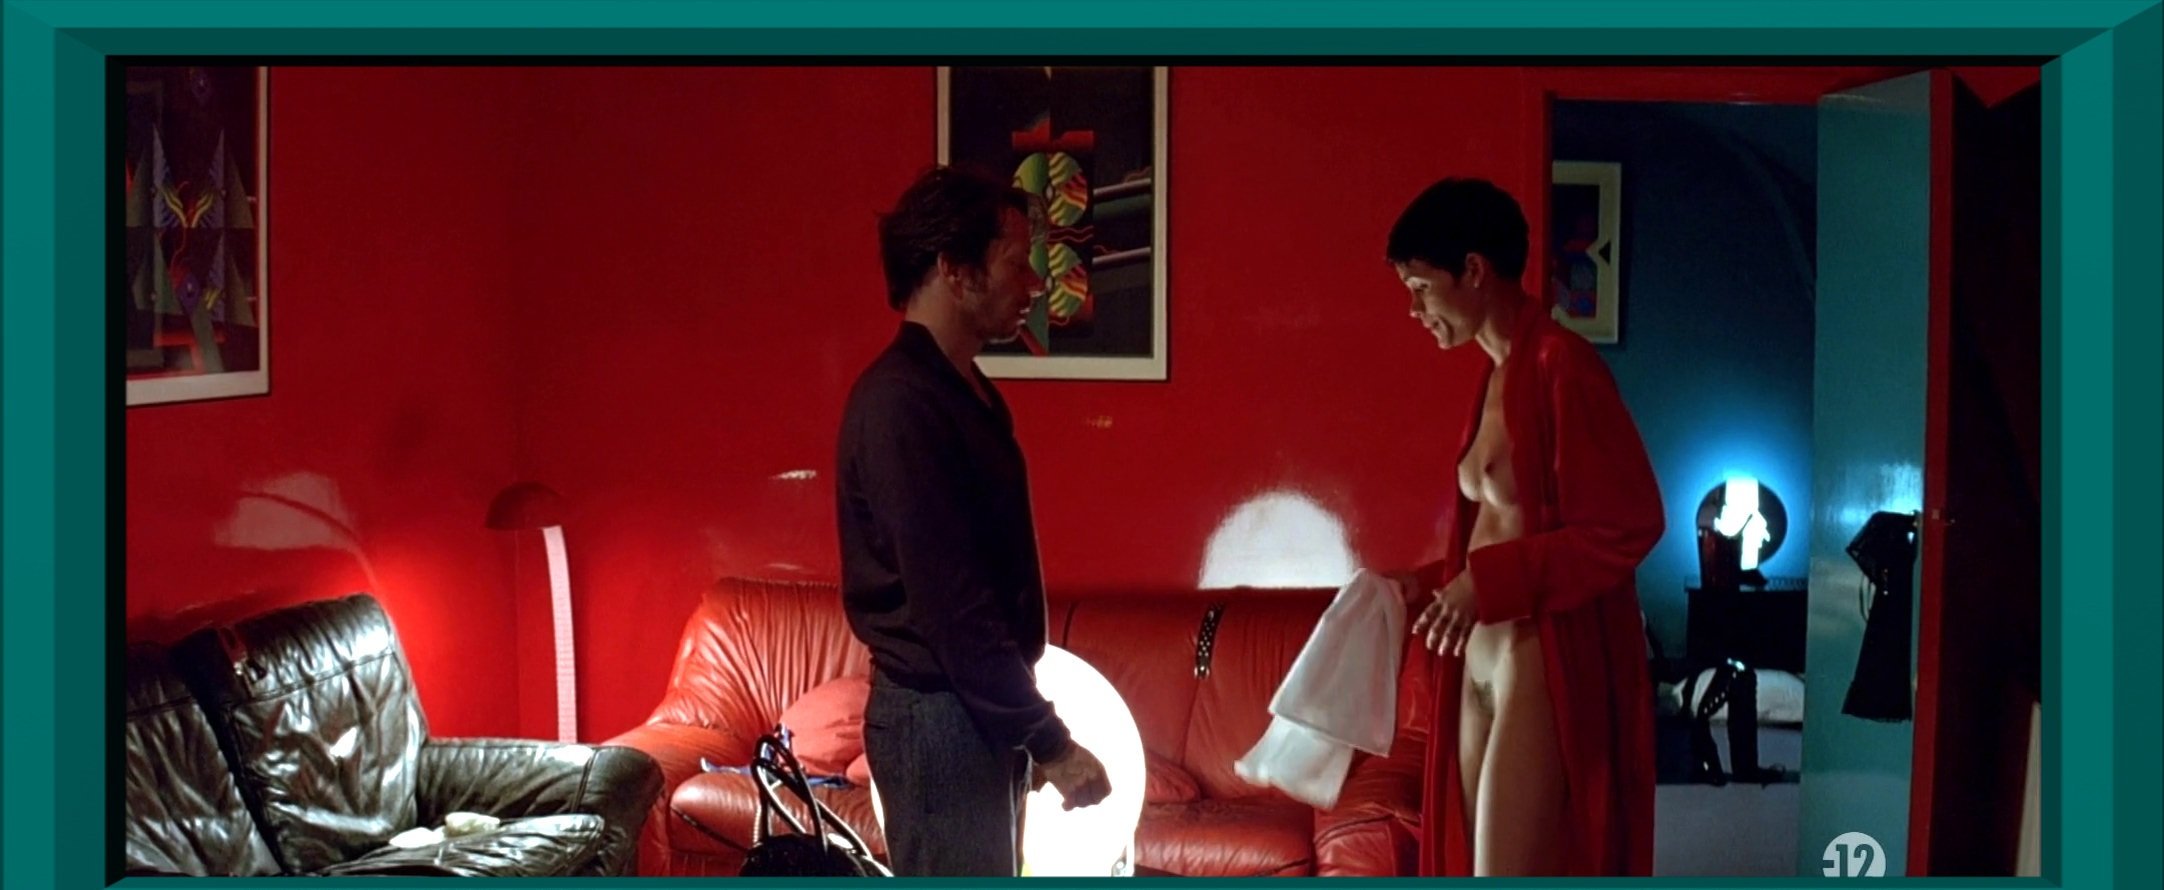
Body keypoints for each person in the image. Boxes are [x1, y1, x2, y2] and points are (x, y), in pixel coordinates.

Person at [834, 164, 1113, 877]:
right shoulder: (902, 403)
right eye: (1016, 263)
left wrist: (1023, 725)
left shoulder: (958, 391)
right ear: (954, 270)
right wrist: (1048, 739)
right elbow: (952, 604)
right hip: (938, 721)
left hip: (966, 715)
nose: (1036, 284)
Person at [1383, 178, 1664, 877]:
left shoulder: (1562, 365)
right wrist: (1425, 583)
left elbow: (1627, 524)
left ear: (1474, 270)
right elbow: (1501, 532)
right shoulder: (1494, 375)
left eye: (1421, 287)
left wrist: (1486, 584)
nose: (1414, 310)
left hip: (1532, 660)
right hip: (1476, 660)